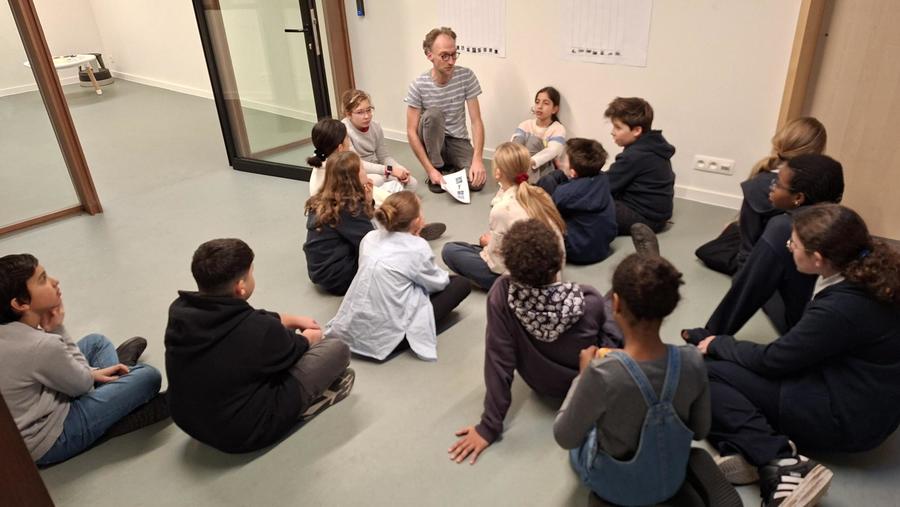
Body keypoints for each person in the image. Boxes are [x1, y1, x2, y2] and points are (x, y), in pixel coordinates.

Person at [685, 204, 900, 507]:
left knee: (702, 371)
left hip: (846, 420)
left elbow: (773, 360)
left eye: (794, 244)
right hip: (864, 396)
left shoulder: (841, 308)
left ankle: (780, 462)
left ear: (818, 258)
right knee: (723, 369)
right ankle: (748, 449)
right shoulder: (867, 266)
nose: (788, 247)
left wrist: (718, 344)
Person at [448, 219, 619, 465]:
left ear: (509, 265)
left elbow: (498, 360)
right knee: (616, 302)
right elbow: (606, 345)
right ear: (559, 260)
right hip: (584, 382)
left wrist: (489, 426)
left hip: (542, 384)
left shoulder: (501, 294)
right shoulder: (587, 299)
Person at [165, 239, 353, 453]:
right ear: (241, 287)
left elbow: (243, 316)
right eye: (251, 273)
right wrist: (310, 337)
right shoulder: (259, 331)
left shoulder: (180, 311)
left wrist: (290, 318)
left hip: (189, 421)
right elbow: (297, 346)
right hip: (243, 434)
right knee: (336, 349)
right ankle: (305, 407)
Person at [554, 253, 709, 505]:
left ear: (615, 304)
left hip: (615, 488)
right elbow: (701, 430)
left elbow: (565, 437)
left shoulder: (601, 374)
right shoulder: (693, 361)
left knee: (582, 439)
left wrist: (581, 378)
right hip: (672, 480)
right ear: (669, 306)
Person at [0, 254, 166, 465]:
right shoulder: (41, 346)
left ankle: (119, 381)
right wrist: (57, 329)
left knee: (96, 342)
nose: (55, 281)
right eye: (42, 279)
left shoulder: (10, 331)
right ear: (20, 303)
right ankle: (122, 411)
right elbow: (83, 386)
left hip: (42, 400)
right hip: (50, 436)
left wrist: (89, 374)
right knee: (148, 376)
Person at [686, 154, 845, 338]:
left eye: (777, 184)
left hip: (809, 328)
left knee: (756, 272)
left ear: (798, 198)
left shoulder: (784, 227)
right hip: (839, 324)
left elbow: (751, 286)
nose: (771, 187)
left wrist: (709, 336)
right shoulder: (845, 222)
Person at [325, 191, 471, 361]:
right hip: (389, 339)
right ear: (417, 222)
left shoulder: (369, 237)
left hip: (351, 329)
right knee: (460, 284)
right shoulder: (417, 247)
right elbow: (438, 284)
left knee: (407, 280)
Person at [695, 117, 827, 275]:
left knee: (724, 239)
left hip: (767, 253)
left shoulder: (760, 184)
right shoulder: (821, 184)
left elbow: (748, 247)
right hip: (794, 258)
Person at [441, 142, 565, 290]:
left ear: (498, 173)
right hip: (552, 273)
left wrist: (489, 246)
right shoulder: (540, 194)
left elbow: (497, 265)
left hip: (525, 283)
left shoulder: (501, 209)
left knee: (450, 251)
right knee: (469, 247)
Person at [405, 26, 487, 194]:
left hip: (458, 140)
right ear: (429, 55)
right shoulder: (418, 85)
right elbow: (411, 131)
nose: (451, 61)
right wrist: (430, 170)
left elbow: (476, 121)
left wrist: (478, 159)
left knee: (476, 182)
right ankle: (437, 167)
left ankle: (448, 170)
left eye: (454, 54)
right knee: (433, 114)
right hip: (433, 141)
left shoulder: (466, 76)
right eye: (444, 56)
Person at [303, 151, 376, 296]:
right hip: (338, 278)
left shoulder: (323, 199)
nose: (365, 171)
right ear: (353, 177)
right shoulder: (348, 207)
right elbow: (371, 241)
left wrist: (367, 202)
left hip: (320, 270)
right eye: (362, 168)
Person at [603, 97, 676, 235]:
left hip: (644, 219)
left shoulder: (635, 155)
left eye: (618, 127)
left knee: (589, 202)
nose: (612, 132)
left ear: (636, 130)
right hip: (658, 216)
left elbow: (605, 185)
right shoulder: (653, 145)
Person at [544, 138, 617, 264]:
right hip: (602, 247)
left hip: (578, 250)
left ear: (573, 173)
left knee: (547, 189)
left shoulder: (564, 194)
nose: (561, 162)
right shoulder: (603, 179)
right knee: (555, 177)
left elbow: (549, 212)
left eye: (564, 160)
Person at [341, 88, 418, 192]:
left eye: (369, 110)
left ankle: (391, 197)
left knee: (412, 183)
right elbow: (357, 164)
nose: (367, 116)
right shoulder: (343, 130)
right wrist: (390, 170)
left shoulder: (376, 126)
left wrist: (399, 168)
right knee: (377, 180)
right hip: (358, 172)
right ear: (348, 114)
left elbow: (383, 156)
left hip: (378, 168)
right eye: (360, 112)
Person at [511, 86, 567, 183]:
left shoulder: (558, 128)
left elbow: (553, 151)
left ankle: (527, 185)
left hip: (544, 171)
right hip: (521, 165)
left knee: (533, 141)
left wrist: (530, 162)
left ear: (554, 109)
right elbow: (514, 146)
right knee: (515, 145)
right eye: (537, 102)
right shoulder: (525, 124)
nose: (539, 106)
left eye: (545, 103)